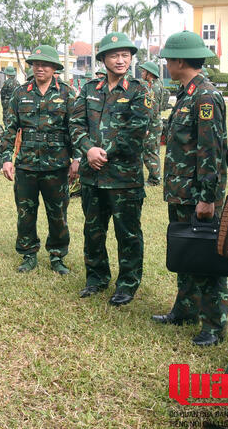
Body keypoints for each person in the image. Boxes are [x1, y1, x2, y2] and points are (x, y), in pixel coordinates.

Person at [150, 31, 228, 347]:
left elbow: (211, 151)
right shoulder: (187, 94)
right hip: (181, 192)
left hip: (197, 196)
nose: (166, 65)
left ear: (180, 61)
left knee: (207, 260)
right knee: (185, 252)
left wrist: (207, 198)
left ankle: (214, 325)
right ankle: (185, 310)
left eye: (168, 60)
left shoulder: (205, 97)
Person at [69, 32, 150, 306]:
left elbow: (135, 131)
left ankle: (127, 284)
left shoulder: (139, 90)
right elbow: (75, 124)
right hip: (92, 177)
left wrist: (102, 153)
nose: (121, 60)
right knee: (93, 231)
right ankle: (96, 278)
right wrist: (87, 150)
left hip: (124, 178)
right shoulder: (89, 88)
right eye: (114, 55)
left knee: (128, 234)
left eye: (125, 55)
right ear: (103, 59)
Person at [0, 45, 76, 274]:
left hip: (57, 164)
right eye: (36, 64)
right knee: (25, 213)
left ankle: (57, 256)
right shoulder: (20, 93)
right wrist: (6, 158)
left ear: (54, 68)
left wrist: (77, 159)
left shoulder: (67, 93)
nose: (39, 68)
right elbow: (10, 128)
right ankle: (28, 254)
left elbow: (75, 128)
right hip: (27, 164)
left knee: (58, 213)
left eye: (45, 64)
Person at [139, 61, 164, 186]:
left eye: (144, 71)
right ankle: (154, 177)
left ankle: (154, 179)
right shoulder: (156, 84)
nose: (142, 73)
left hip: (152, 124)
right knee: (152, 150)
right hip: (155, 122)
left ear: (149, 73)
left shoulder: (153, 88)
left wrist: (147, 127)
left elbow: (152, 109)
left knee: (150, 151)